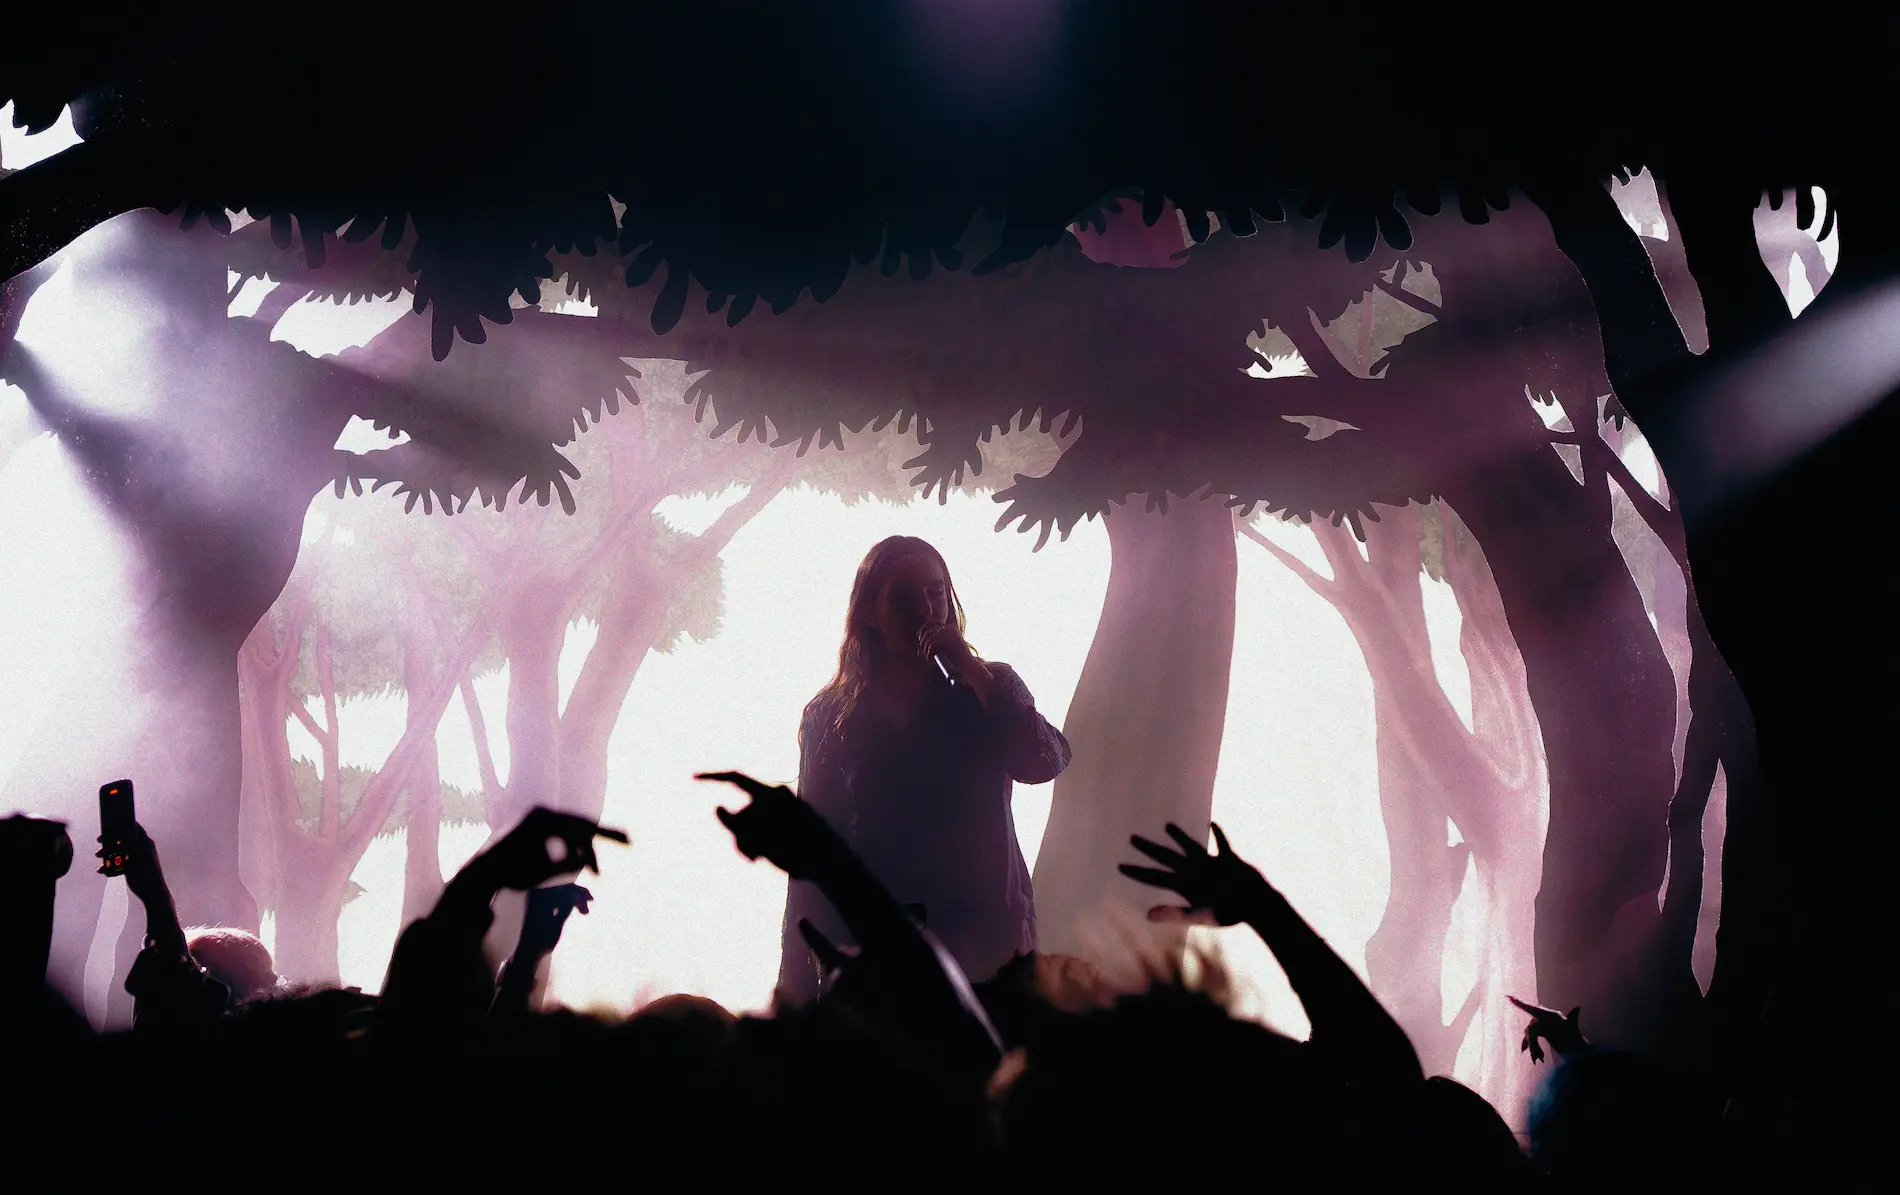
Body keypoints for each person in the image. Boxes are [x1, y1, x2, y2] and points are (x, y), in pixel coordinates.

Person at [778, 536, 1072, 1005]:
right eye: (904, 595)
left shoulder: (989, 686)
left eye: (935, 593)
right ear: (869, 611)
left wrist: (972, 671)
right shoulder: (831, 714)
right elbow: (812, 847)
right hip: (876, 943)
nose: (924, 609)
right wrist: (795, 981)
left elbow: (1041, 761)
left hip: (986, 943)